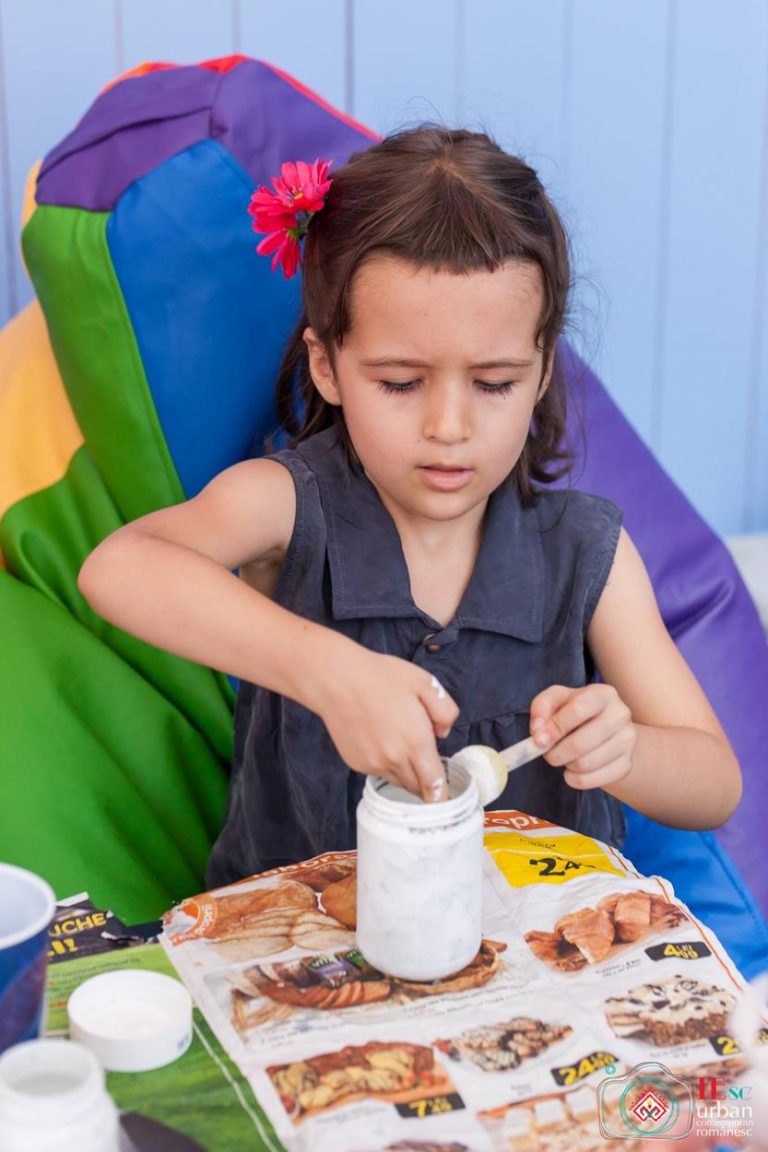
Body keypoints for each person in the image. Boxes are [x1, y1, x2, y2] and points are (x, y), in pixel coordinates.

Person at [78, 127, 741, 888]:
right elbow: (118, 569)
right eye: (400, 382)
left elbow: (714, 785)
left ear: (541, 372)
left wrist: (626, 750)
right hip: (306, 943)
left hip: (545, 945)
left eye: (494, 384)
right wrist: (330, 672)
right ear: (328, 365)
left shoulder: (587, 552)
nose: (448, 427)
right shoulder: (287, 505)